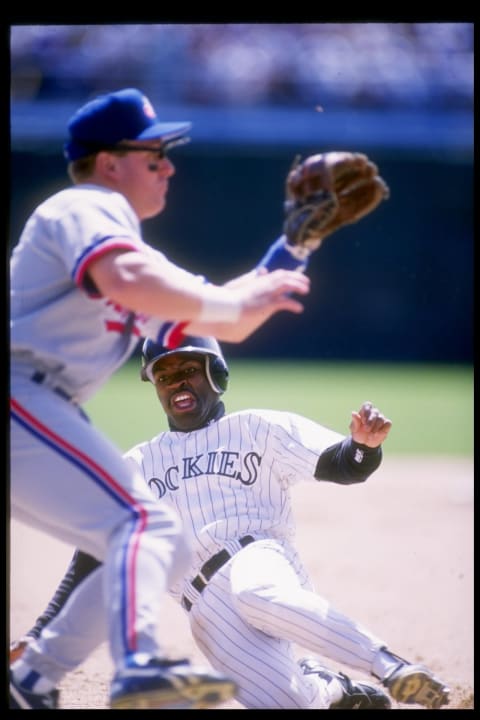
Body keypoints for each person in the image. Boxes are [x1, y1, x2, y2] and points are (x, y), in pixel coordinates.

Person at [9, 87, 312, 710]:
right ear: (108, 163)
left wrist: (296, 247)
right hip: (20, 396)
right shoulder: (84, 206)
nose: (168, 167)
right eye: (154, 155)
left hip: (38, 409)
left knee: (157, 537)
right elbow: (129, 280)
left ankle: (33, 679)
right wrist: (223, 301)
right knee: (144, 522)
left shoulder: (129, 249)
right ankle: (140, 664)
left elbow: (224, 322)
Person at [10, 335, 450, 710]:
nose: (176, 382)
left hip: (257, 556)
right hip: (203, 609)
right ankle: (329, 686)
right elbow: (92, 554)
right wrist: (39, 631)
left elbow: (341, 465)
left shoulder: (255, 428)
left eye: (188, 370)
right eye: (164, 375)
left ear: (215, 375)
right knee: (288, 701)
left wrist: (363, 447)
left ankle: (389, 665)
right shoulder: (137, 464)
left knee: (257, 590)